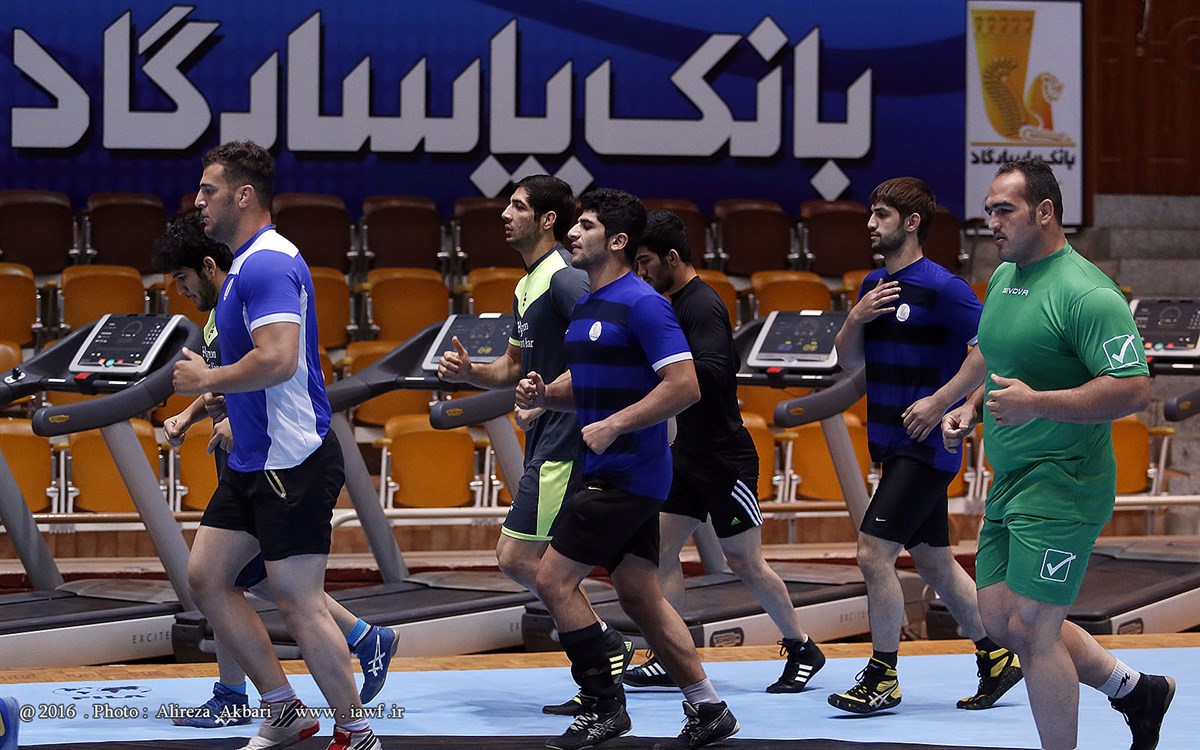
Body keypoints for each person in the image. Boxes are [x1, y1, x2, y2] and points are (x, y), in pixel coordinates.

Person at [941, 159, 1174, 750]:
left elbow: (1133, 389)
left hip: (1066, 481)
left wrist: (1037, 404)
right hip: (1010, 477)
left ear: (1044, 212)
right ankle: (1135, 691)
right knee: (1000, 623)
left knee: (1033, 629)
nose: (991, 222)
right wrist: (970, 406)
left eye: (1004, 210)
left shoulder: (1088, 294)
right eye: (988, 211)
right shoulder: (1004, 277)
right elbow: (1001, 358)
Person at [155, 211, 399, 729]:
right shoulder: (225, 301)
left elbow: (276, 363)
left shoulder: (266, 268)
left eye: (181, 278)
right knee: (211, 578)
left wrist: (220, 401)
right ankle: (281, 704)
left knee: (293, 598)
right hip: (250, 460)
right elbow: (226, 380)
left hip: (287, 459)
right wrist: (195, 411)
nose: (179, 290)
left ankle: (354, 727)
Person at [517, 189, 739, 750]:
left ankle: (602, 706)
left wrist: (615, 425)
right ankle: (709, 707)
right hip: (610, 468)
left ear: (618, 241)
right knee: (640, 596)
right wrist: (546, 395)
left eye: (586, 226)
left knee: (552, 579)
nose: (573, 233)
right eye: (576, 224)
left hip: (628, 473)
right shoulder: (588, 305)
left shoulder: (645, 304)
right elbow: (587, 384)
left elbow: (684, 385)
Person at [437, 175, 632, 717]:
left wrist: (550, 398)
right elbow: (513, 365)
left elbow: (603, 348)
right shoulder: (528, 285)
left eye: (519, 206)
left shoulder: (565, 279)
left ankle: (604, 656)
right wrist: (470, 372)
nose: (505, 214)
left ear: (548, 220)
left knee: (519, 557)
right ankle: (603, 659)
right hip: (547, 440)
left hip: (567, 444)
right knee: (544, 566)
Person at [828, 177, 1022, 715]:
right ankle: (997, 657)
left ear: (912, 223)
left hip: (926, 447)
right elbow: (848, 361)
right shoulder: (873, 285)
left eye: (882, 214)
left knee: (873, 554)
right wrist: (855, 318)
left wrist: (941, 403)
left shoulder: (944, 288)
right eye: (871, 213)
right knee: (935, 562)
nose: (871, 224)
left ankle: (882, 676)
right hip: (891, 444)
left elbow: (989, 351)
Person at [631, 210, 826, 693]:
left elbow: (716, 373)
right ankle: (671, 653)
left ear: (671, 258)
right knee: (660, 552)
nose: (640, 271)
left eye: (646, 261)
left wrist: (660, 370)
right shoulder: (669, 303)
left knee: (744, 562)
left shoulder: (702, 305)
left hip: (724, 460)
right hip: (687, 455)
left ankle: (802, 645)